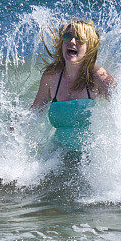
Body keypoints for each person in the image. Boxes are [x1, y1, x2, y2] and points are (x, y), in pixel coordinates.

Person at [31, 19, 114, 150]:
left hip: (89, 156)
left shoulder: (98, 76)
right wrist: (12, 130)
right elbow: (35, 112)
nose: (72, 41)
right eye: (68, 36)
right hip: (57, 153)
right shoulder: (52, 76)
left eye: (80, 39)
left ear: (89, 47)